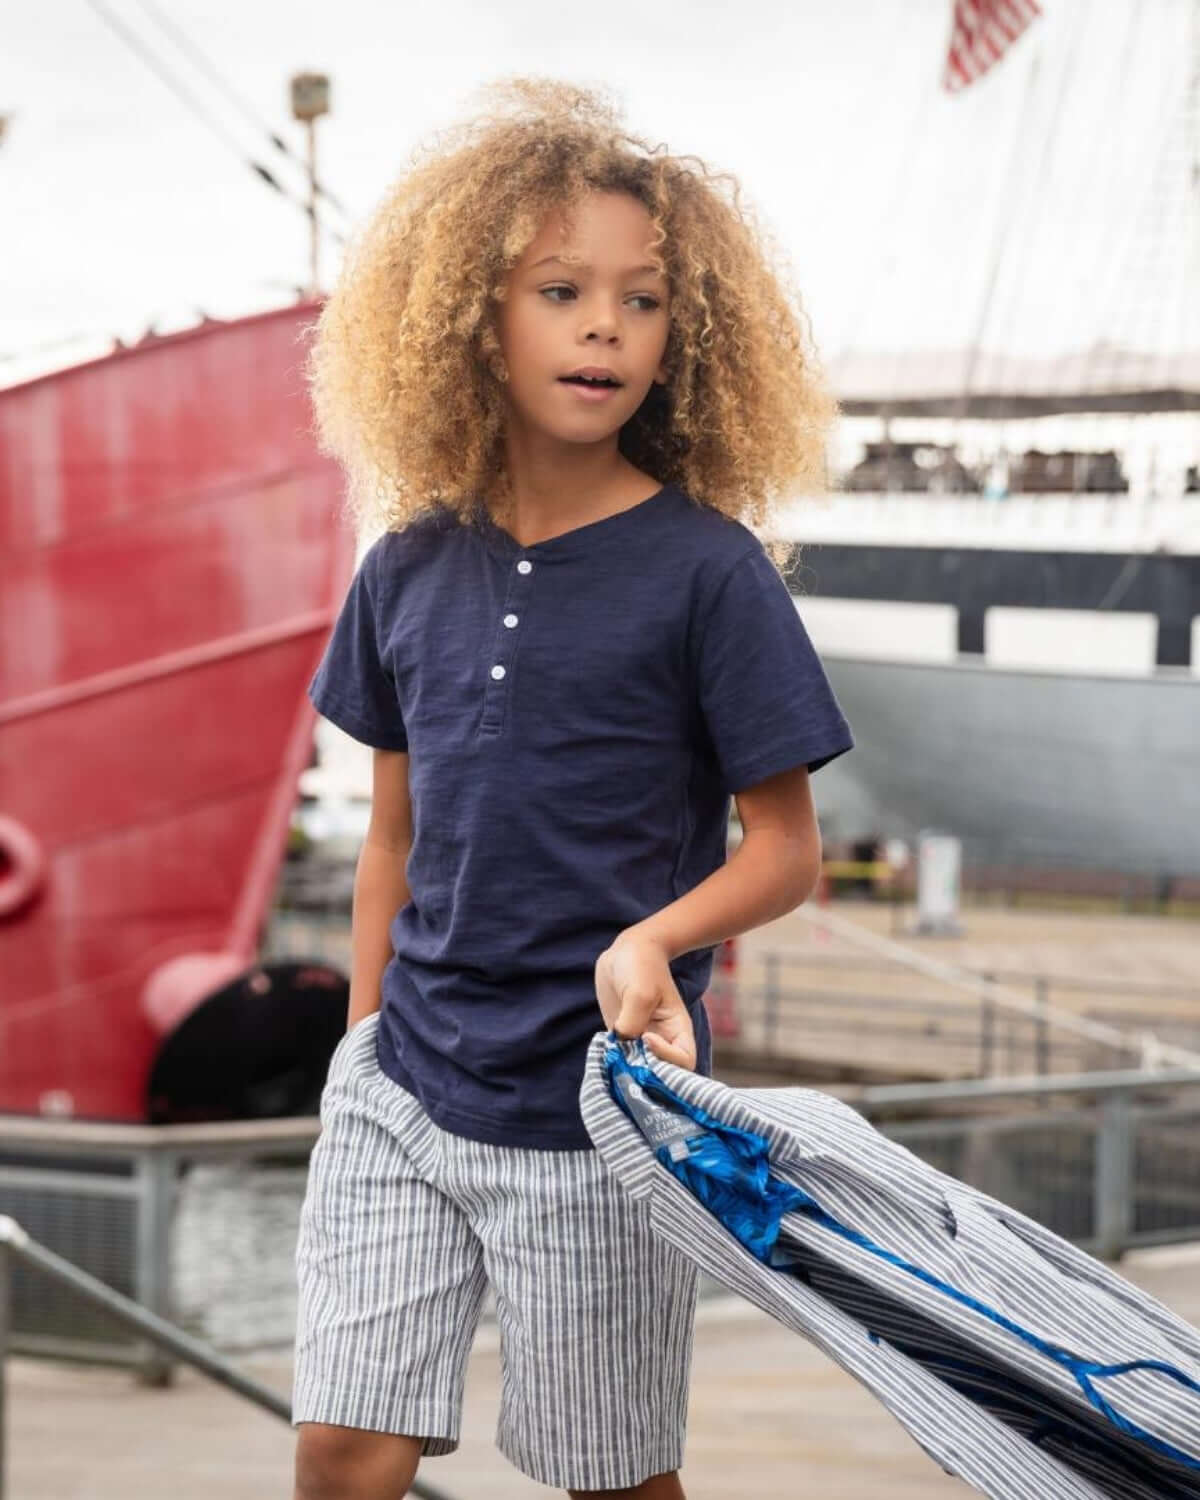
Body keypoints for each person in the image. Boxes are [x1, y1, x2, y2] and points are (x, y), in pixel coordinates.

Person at [291, 77, 854, 1500]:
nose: (606, 324)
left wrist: (654, 939)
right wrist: (360, 1050)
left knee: (610, 1484)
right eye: (562, 289)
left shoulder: (709, 573)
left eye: (644, 299)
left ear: (684, 337)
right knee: (342, 1460)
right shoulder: (403, 566)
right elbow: (392, 839)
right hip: (402, 1092)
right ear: (478, 316)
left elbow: (786, 848)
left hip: (601, 1118)